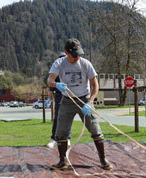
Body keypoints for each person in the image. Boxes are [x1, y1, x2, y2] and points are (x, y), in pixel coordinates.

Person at [47, 38, 112, 170]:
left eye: (79, 54)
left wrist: (90, 101)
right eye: (74, 55)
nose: (77, 57)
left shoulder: (86, 64)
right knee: (61, 132)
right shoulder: (59, 63)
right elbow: (49, 79)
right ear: (66, 52)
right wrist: (56, 84)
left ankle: (103, 160)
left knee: (95, 129)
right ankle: (62, 161)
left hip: (84, 99)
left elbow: (95, 85)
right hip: (67, 100)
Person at [47, 51, 67, 149]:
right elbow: (51, 86)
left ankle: (68, 138)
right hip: (59, 96)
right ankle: (53, 139)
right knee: (57, 117)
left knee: (68, 118)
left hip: (69, 96)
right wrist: (48, 99)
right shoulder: (56, 70)